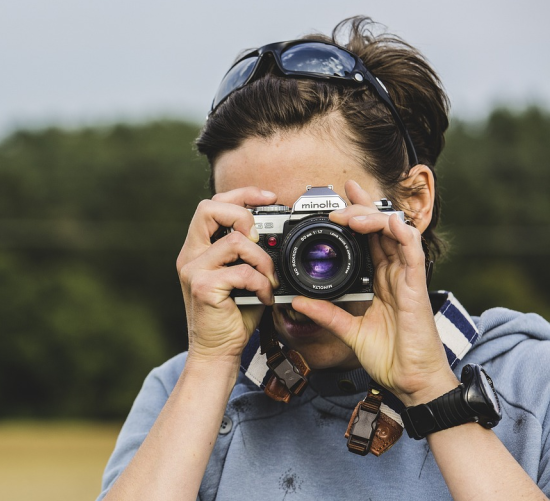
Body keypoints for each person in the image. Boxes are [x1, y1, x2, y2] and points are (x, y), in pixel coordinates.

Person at [98, 17, 550, 501]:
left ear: (413, 201)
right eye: (265, 228)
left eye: (322, 230)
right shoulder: (184, 393)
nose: (300, 261)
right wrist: (210, 366)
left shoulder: (530, 382)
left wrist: (431, 389)